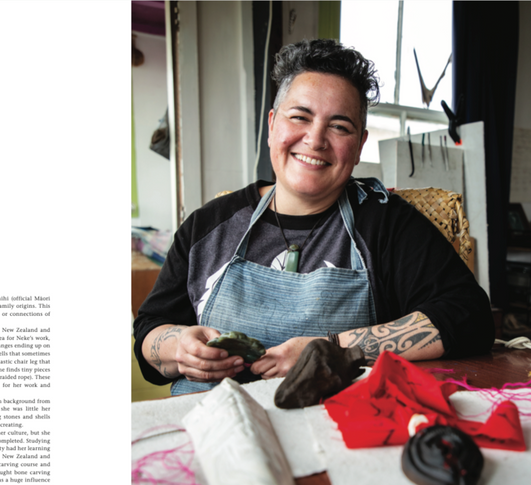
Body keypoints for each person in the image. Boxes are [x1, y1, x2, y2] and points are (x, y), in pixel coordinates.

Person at [132, 39, 494, 396]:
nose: (316, 139)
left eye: (340, 126)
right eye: (299, 117)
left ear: (359, 146)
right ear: (273, 125)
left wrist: (334, 348)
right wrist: (178, 346)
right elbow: (150, 330)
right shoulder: (207, 227)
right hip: (207, 430)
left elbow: (469, 317)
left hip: (336, 435)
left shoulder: (387, 225)